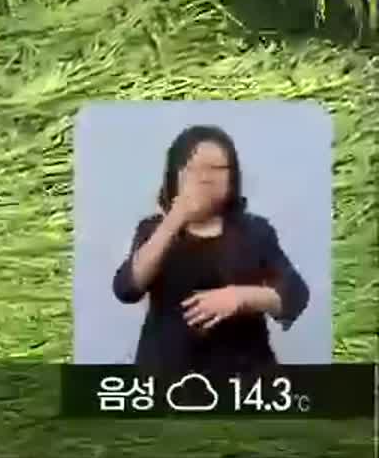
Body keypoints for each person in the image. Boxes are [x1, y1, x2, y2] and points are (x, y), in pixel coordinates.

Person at [111, 124, 310, 374]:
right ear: (176, 174)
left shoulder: (255, 231)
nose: (205, 178)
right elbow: (127, 288)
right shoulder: (153, 230)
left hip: (244, 378)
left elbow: (295, 294)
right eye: (194, 168)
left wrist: (242, 297)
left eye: (217, 169)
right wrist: (175, 218)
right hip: (168, 377)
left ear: (232, 176)